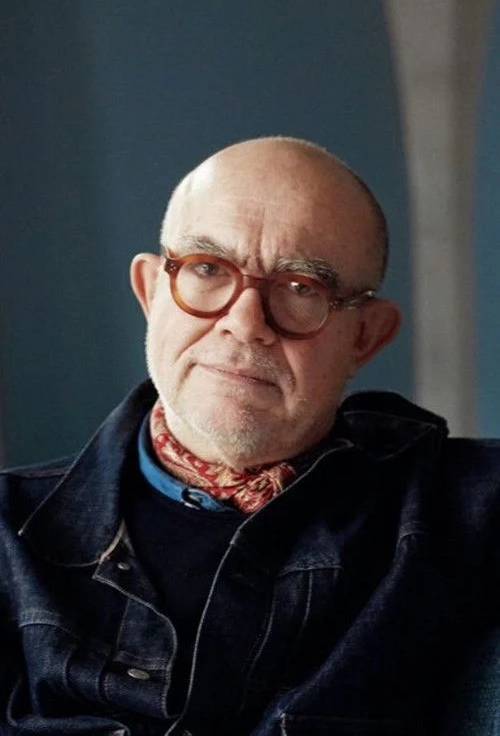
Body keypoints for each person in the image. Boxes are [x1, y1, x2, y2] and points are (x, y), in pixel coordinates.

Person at [0, 136, 498, 736]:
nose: (244, 323)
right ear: (152, 291)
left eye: (302, 288)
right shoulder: (9, 535)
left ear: (365, 336)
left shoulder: (459, 511)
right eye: (207, 269)